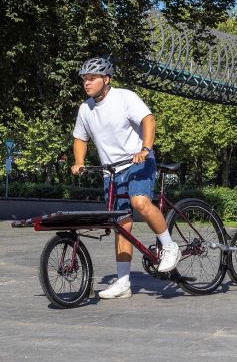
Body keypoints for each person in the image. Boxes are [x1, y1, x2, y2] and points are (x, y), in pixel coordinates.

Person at [71, 56, 180, 299]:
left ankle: (170, 246)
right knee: (122, 225)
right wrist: (79, 162)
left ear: (106, 79)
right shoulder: (85, 109)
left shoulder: (124, 97)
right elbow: (80, 138)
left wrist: (146, 149)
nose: (86, 83)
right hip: (112, 170)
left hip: (137, 161)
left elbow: (148, 120)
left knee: (139, 202)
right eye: (84, 79)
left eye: (92, 78)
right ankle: (123, 283)